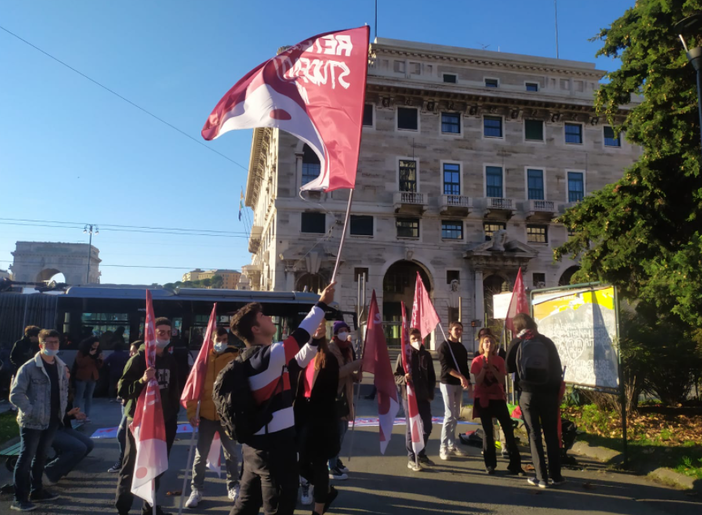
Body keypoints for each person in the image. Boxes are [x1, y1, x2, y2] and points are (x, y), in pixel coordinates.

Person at [229, 282, 335, 515]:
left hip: (254, 448)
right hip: (275, 449)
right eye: (263, 316)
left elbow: (299, 360)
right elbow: (298, 337)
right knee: (279, 508)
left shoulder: (256, 358)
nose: (269, 318)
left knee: (245, 505)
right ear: (255, 329)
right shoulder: (268, 356)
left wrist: (315, 340)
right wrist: (321, 305)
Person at [115, 319, 180, 515]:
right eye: (160, 332)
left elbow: (174, 389)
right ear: (151, 334)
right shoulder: (138, 359)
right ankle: (123, 507)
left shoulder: (170, 359)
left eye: (168, 332)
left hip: (163, 421)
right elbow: (123, 389)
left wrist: (173, 414)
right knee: (131, 464)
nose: (165, 336)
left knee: (157, 465)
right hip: (139, 421)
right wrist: (143, 380)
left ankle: (149, 507)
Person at [9, 329, 67, 512]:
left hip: (52, 420)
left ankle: (37, 491)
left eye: (55, 342)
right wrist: (31, 410)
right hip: (32, 422)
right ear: (40, 345)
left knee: (41, 457)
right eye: (48, 343)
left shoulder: (60, 366)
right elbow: (16, 394)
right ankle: (19, 498)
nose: (52, 346)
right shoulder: (28, 367)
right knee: (26, 458)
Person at [505, 313, 565, 489]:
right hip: (549, 395)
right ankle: (557, 475)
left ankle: (541, 477)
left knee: (534, 435)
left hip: (528, 394)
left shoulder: (517, 343)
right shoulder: (547, 342)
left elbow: (508, 368)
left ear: (517, 328)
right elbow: (557, 369)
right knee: (551, 435)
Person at [185, 327, 241, 508]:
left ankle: (233, 486)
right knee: (200, 455)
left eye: (225, 339)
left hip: (227, 416)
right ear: (210, 339)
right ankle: (197, 489)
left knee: (232, 454)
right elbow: (194, 388)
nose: (222, 343)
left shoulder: (234, 357)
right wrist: (191, 412)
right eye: (218, 339)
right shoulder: (202, 359)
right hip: (206, 415)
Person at [296, 321, 340, 514]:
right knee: (301, 464)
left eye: (319, 328)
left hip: (321, 419)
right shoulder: (301, 357)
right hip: (302, 415)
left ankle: (319, 508)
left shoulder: (328, 359)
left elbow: (330, 392)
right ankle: (327, 490)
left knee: (319, 464)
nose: (315, 330)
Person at [471, 334, 523, 475]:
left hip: (498, 398)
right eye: (486, 342)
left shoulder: (500, 360)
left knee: (508, 430)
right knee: (488, 432)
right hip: (483, 399)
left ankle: (515, 464)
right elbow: (479, 381)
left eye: (492, 342)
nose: (489, 344)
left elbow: (501, 379)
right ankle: (490, 464)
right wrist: (484, 368)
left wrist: (493, 368)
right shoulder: (476, 361)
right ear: (482, 345)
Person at [394, 328, 436, 471]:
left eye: (419, 338)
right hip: (409, 397)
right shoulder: (404, 356)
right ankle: (411, 457)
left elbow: (431, 376)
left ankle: (421, 452)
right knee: (412, 428)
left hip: (424, 396)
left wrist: (431, 393)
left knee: (427, 427)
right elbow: (395, 376)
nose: (417, 341)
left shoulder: (426, 355)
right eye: (414, 339)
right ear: (409, 341)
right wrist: (403, 378)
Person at [44, 366, 94, 483]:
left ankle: (60, 471)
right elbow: (49, 416)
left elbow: (65, 416)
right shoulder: (50, 389)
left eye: (68, 372)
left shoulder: (67, 388)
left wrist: (74, 415)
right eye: (64, 372)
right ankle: (48, 472)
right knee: (79, 448)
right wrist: (67, 414)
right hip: (50, 429)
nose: (67, 374)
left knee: (89, 444)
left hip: (62, 427)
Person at [327, 321, 362, 481]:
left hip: (345, 396)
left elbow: (347, 371)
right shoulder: (330, 349)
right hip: (334, 397)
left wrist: (355, 375)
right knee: (337, 433)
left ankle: (336, 459)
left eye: (345, 330)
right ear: (335, 333)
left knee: (343, 430)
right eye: (340, 330)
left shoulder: (347, 348)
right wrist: (355, 365)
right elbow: (335, 373)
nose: (344, 332)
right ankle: (331, 466)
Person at [437, 321, 471, 461]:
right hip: (447, 384)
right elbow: (446, 367)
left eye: (460, 329)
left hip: (459, 384)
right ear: (449, 330)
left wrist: (468, 382)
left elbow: (464, 367)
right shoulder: (444, 346)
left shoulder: (462, 348)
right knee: (449, 415)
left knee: (456, 415)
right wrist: (460, 377)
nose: (458, 331)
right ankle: (443, 447)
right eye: (456, 329)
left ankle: (452, 444)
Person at [108, 342, 139, 474]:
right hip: (125, 403)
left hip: (133, 406)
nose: (130, 354)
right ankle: (126, 461)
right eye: (130, 351)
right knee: (125, 435)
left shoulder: (140, 366)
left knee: (122, 435)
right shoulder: (130, 364)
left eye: (133, 351)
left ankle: (123, 461)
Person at [73, 336, 103, 421]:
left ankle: (87, 415)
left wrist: (100, 360)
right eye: (94, 345)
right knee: (79, 396)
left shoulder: (97, 352)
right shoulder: (82, 352)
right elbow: (80, 363)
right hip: (82, 376)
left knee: (89, 397)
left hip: (92, 377)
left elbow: (99, 366)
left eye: (97, 346)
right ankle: (76, 414)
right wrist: (90, 355)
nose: (95, 347)